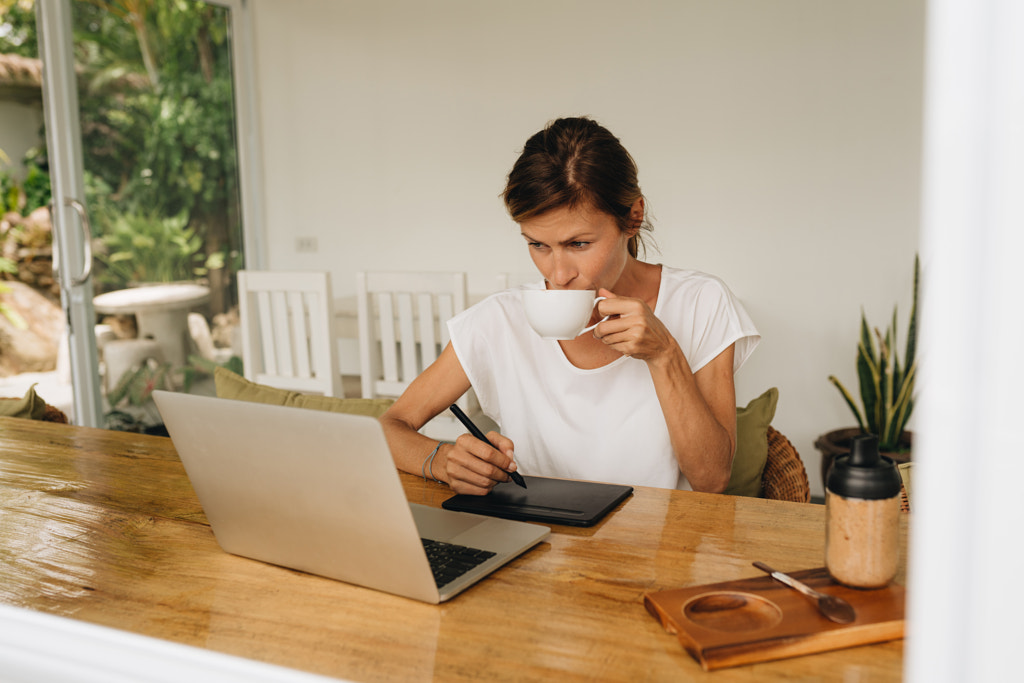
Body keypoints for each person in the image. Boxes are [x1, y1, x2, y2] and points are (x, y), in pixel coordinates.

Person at [380, 117, 759, 495]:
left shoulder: (702, 302)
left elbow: (711, 480)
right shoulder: (500, 320)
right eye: (538, 245)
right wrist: (442, 460)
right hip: (538, 540)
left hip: (661, 545)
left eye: (578, 244)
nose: (558, 274)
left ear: (633, 217)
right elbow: (390, 426)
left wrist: (664, 355)